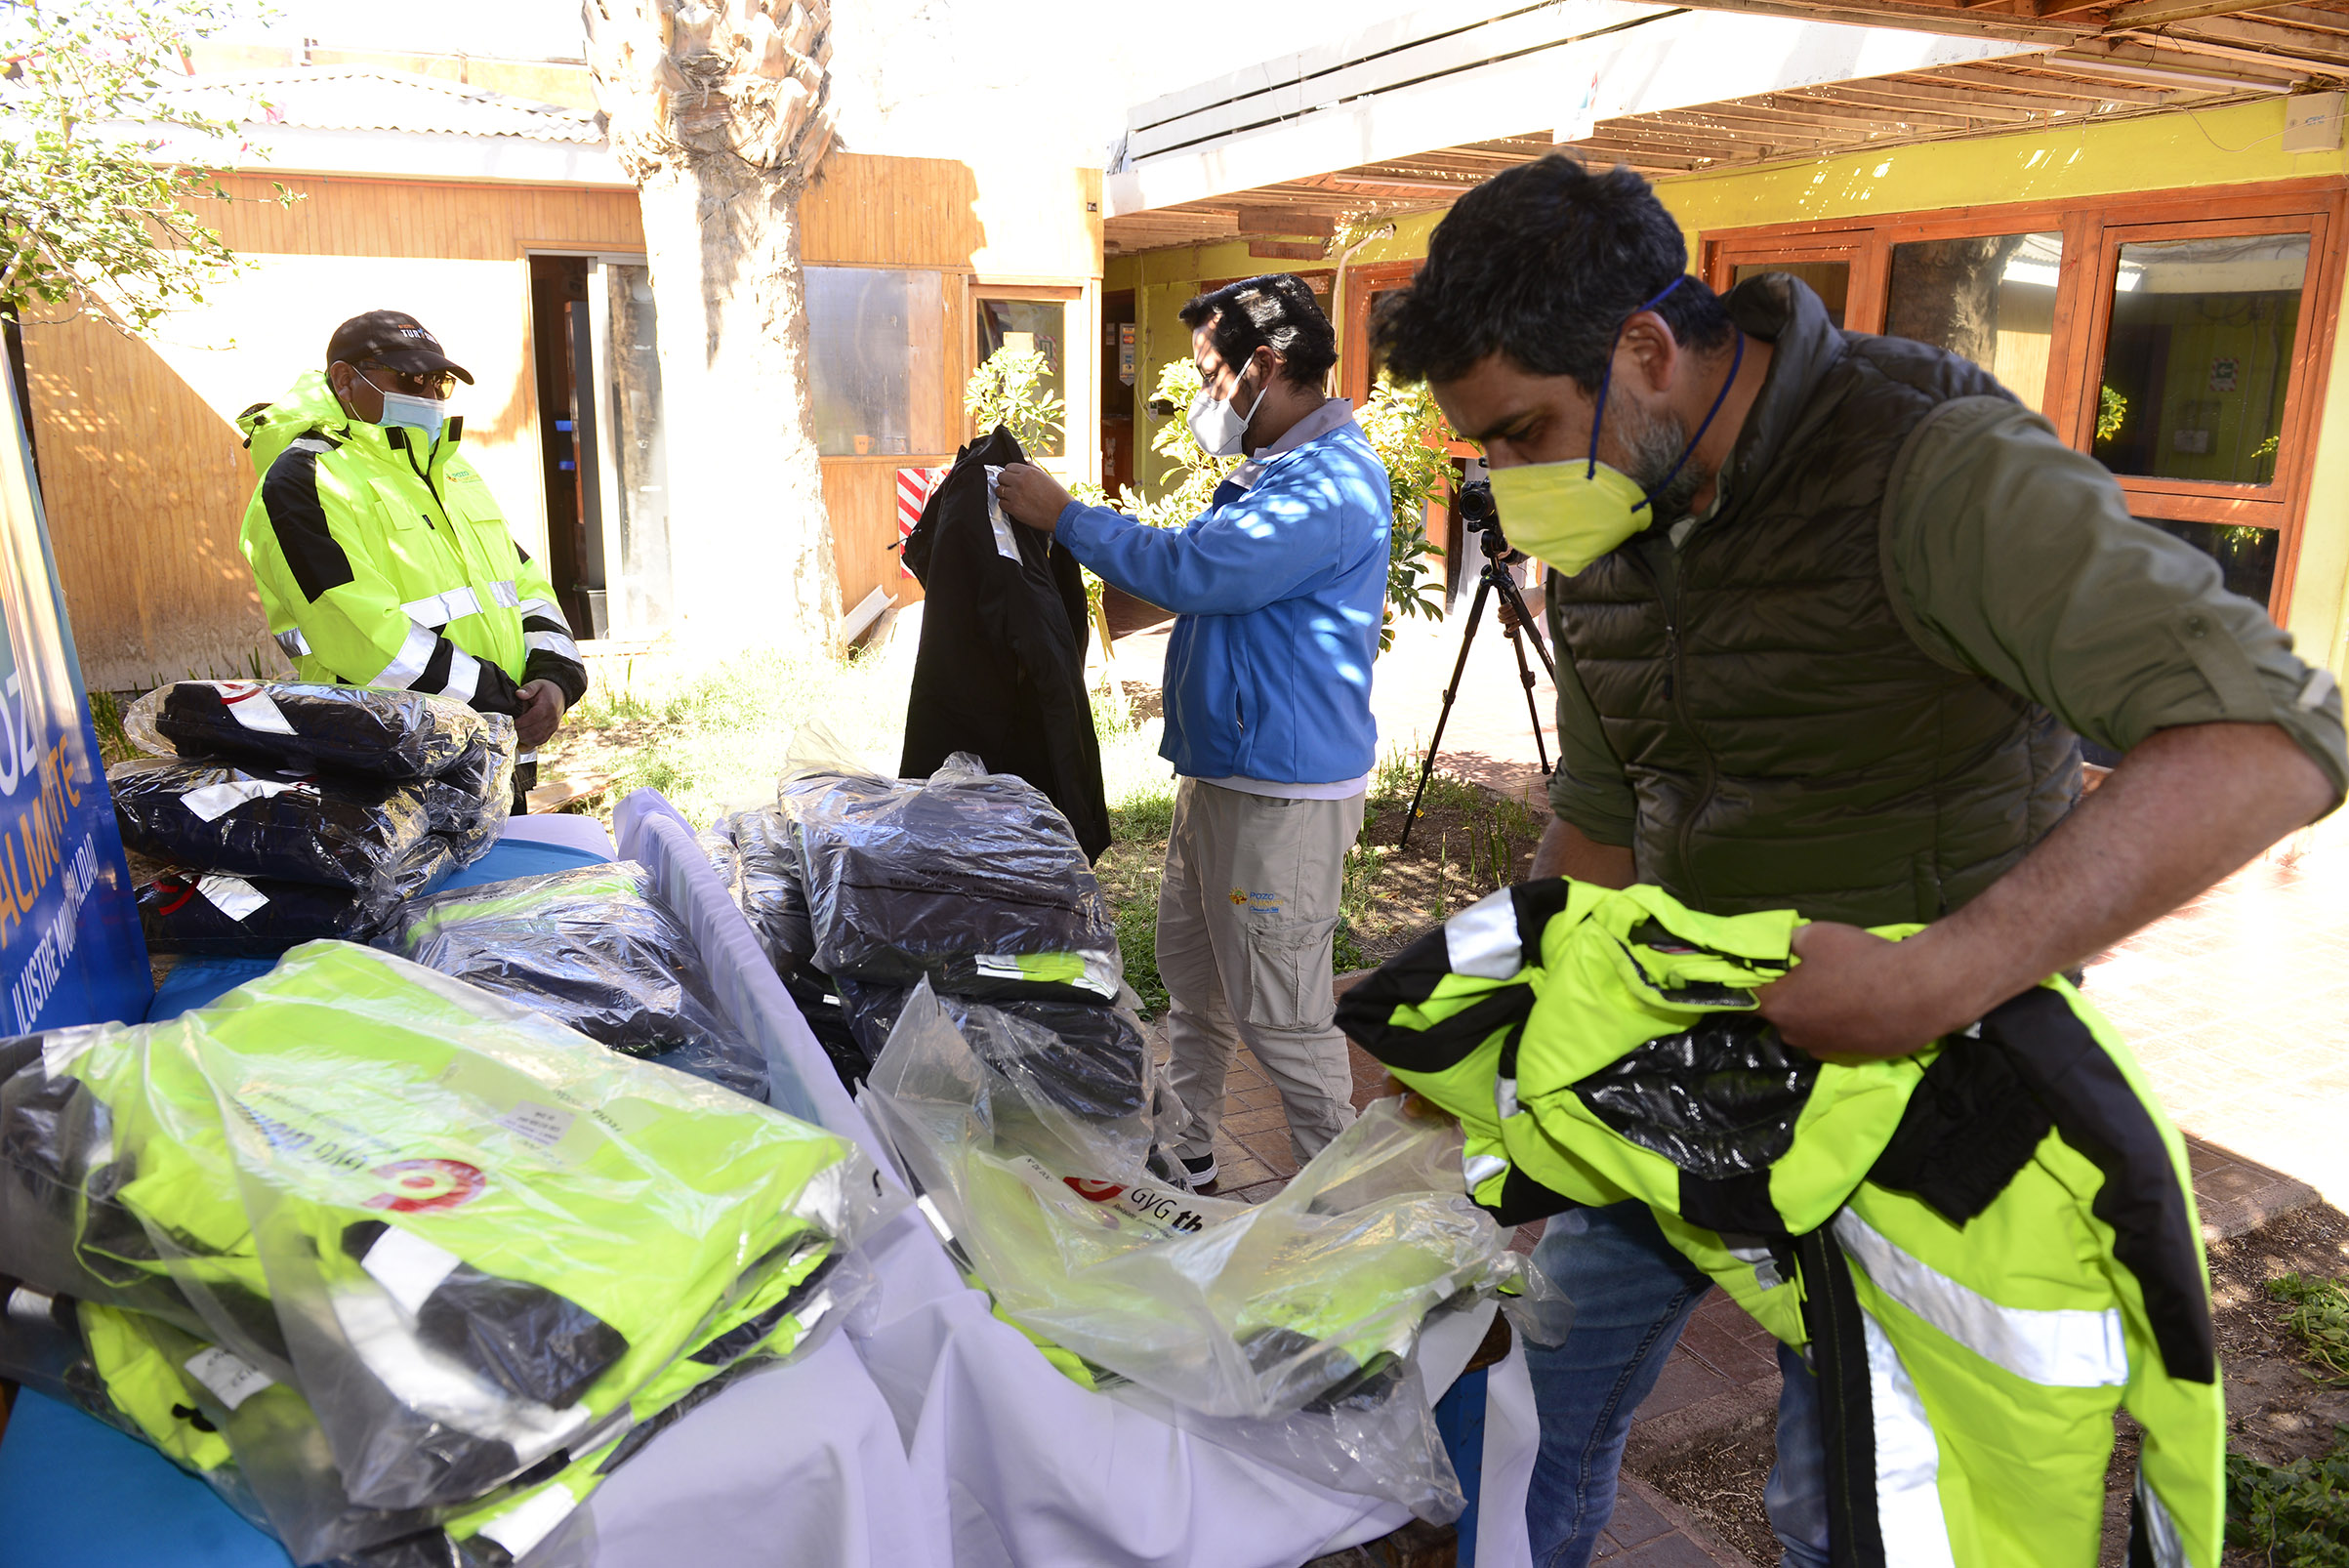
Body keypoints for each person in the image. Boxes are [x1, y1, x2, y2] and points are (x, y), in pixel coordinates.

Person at [1371, 155, 2347, 1567]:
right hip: (1689, 1052)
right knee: (1521, 1398)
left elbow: (2270, 735)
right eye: (1489, 451)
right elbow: (1592, 825)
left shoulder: (1932, 468)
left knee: (1847, 1507)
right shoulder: (1612, 520)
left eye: (1524, 432)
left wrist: (1936, 974)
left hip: (1920, 1084)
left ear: (1645, 349)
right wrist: (1474, 1032)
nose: (1513, 485)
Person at [995, 274, 1392, 1188]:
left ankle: (1362, 1223)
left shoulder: (1332, 484)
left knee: (1284, 1016)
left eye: (1212, 373)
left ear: (1266, 365)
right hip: (1223, 774)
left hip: (1281, 796)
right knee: (1199, 987)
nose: (1201, 394)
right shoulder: (1276, 472)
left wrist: (1065, 516)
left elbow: (1201, 573)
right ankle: (1195, 1148)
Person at [236, 311, 589, 806]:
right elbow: (360, 635)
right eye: (409, 379)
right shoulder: (304, 480)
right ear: (344, 380)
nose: (426, 396)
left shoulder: (449, 469)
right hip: (389, 767)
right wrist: (502, 701)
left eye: (438, 383)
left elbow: (524, 586)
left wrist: (554, 679)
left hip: (495, 751)